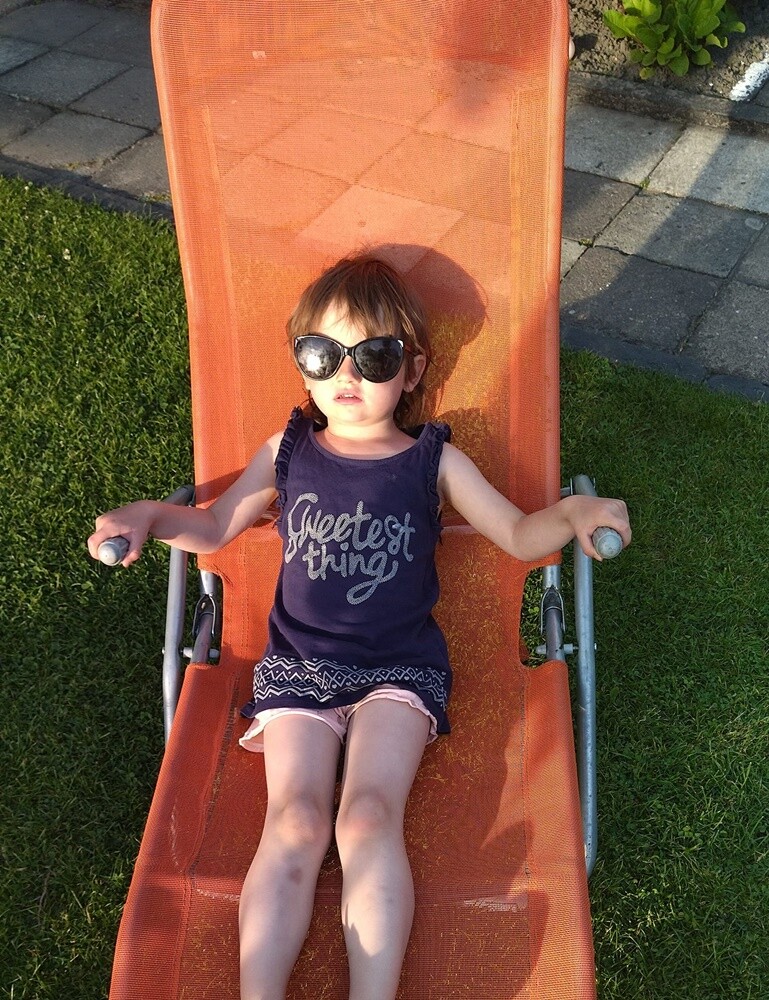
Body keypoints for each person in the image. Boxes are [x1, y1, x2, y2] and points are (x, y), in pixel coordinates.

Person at [88, 253, 631, 1000]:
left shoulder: (434, 461)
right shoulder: (287, 452)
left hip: (397, 671)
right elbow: (212, 528)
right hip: (298, 667)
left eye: (374, 357)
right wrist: (149, 516)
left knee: (369, 817)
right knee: (295, 821)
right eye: (322, 353)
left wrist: (571, 512)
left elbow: (514, 534)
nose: (346, 373)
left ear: (412, 371)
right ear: (302, 364)